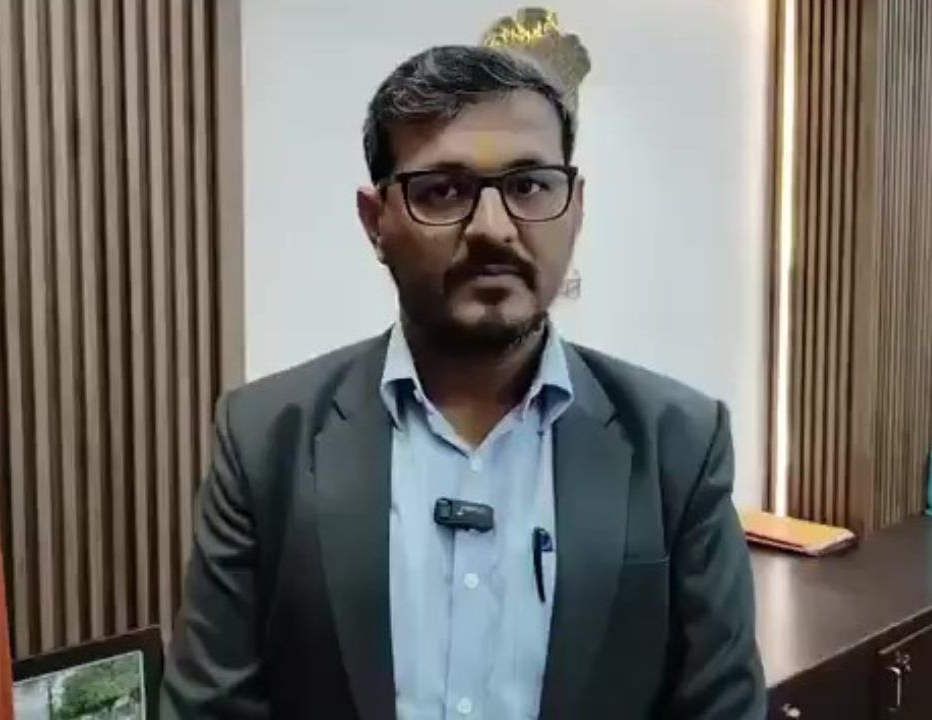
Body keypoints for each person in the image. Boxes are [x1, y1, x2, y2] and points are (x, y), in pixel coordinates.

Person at [162, 45, 765, 719]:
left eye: (529, 185)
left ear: (575, 207)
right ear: (376, 222)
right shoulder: (265, 440)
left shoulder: (678, 444)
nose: (492, 229)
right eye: (443, 191)